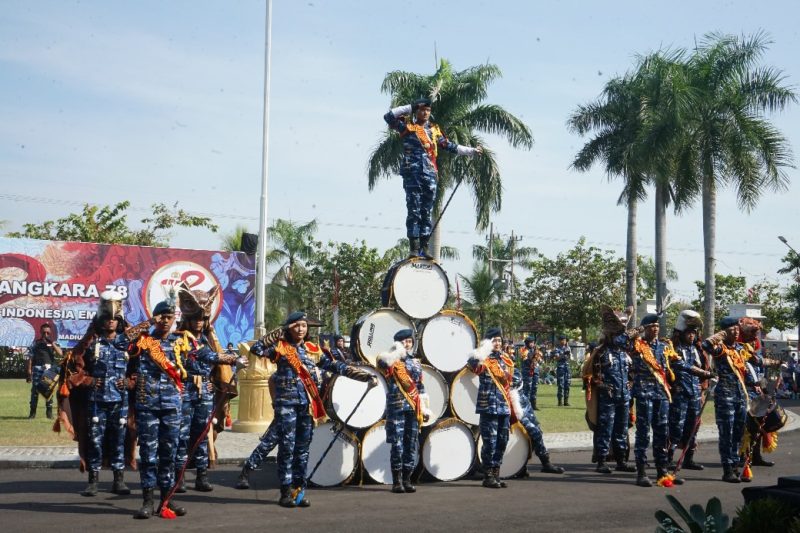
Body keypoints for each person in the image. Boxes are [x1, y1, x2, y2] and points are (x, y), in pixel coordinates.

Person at [249, 311, 376, 508]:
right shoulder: (280, 348)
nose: (301, 329)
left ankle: (298, 492)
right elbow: (257, 349)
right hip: (286, 405)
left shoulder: (311, 350)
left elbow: (335, 366)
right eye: (296, 325)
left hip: (306, 406)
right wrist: (278, 332)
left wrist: (363, 376)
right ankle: (285, 492)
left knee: (302, 449)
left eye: (304, 326)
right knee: (287, 448)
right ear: (289, 328)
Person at [383, 98, 482, 257]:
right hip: (412, 173)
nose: (425, 113)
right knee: (413, 209)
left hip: (429, 174)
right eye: (422, 110)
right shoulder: (408, 127)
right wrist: (411, 106)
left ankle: (424, 247)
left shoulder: (435, 130)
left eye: (428, 110)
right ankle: (414, 248)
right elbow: (388, 117)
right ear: (416, 111)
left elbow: (450, 146)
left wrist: (471, 151)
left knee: (426, 211)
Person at [127, 296, 187, 519]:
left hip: (172, 406)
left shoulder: (181, 342)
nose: (165, 321)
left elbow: (203, 356)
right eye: (161, 317)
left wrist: (230, 360)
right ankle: (147, 501)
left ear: (174, 320)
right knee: (149, 455)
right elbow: (119, 343)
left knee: (168, 455)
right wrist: (149, 322)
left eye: (169, 317)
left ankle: (167, 500)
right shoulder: (143, 341)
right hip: (148, 407)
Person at [173, 299, 240, 494]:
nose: (198, 322)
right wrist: (234, 358)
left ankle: (201, 476)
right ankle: (179, 477)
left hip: (205, 391)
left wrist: (211, 382)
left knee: (202, 434)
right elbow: (207, 357)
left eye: (202, 319)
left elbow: (216, 362)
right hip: (186, 390)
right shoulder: (180, 338)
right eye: (194, 318)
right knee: (182, 435)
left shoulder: (206, 340)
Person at [70, 292, 133, 497]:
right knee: (95, 441)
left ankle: (119, 480)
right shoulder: (90, 343)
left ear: (120, 320)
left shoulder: (128, 344)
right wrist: (88, 381)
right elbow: (74, 367)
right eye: (107, 318)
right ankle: (93, 481)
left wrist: (130, 381)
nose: (111, 322)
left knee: (119, 440)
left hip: (120, 401)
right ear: (100, 320)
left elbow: (140, 368)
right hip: (96, 401)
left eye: (114, 319)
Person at [583, 305, 639, 476]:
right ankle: (601, 461)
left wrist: (630, 383)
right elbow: (590, 375)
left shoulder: (624, 354)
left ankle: (621, 461)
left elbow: (631, 372)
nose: (621, 338)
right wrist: (603, 386)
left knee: (621, 429)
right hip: (608, 398)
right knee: (605, 429)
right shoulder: (600, 352)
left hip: (623, 396)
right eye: (618, 335)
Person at [376, 329, 431, 493]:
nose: (408, 344)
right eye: (404, 342)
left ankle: (407, 479)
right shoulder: (391, 360)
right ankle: (397, 481)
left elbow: (420, 387)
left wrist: (425, 408)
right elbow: (381, 364)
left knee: (410, 445)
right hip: (397, 408)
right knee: (397, 445)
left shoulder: (415, 363)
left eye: (409, 341)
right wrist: (395, 353)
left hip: (413, 409)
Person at [702, 316, 749, 483]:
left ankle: (736, 466)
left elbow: (746, 371)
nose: (736, 332)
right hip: (725, 397)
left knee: (738, 433)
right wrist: (719, 336)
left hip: (740, 397)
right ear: (724, 332)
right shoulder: (720, 348)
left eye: (737, 329)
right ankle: (727, 469)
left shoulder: (740, 349)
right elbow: (705, 345)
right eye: (732, 330)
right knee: (726, 434)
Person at [630, 314, 674, 487]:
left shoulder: (664, 346)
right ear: (645, 328)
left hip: (661, 395)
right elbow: (621, 339)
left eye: (657, 326)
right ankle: (641, 472)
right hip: (644, 395)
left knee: (662, 433)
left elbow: (677, 364)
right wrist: (639, 329)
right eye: (651, 326)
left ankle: (661, 471)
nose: (655, 329)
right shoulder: (636, 345)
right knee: (643, 435)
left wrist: (702, 373)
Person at [667, 310, 712, 474]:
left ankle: (689, 459)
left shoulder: (697, 349)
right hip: (679, 394)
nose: (692, 336)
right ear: (682, 333)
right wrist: (703, 373)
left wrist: (703, 387)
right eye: (689, 333)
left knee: (693, 428)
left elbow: (704, 368)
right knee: (675, 428)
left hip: (694, 394)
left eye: (694, 333)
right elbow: (680, 366)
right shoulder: (673, 348)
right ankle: (668, 459)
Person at [468, 327, 513, 489]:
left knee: (502, 440)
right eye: (494, 340)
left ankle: (496, 474)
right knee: (490, 442)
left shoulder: (505, 359)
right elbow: (473, 365)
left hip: (504, 406)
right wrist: (483, 350)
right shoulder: (482, 358)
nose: (498, 343)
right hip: (489, 407)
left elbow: (513, 378)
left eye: (499, 340)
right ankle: (487, 475)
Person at [509, 369, 564, 475]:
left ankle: (523, 465)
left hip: (524, 403)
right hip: (514, 406)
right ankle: (544, 462)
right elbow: (512, 382)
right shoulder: (496, 365)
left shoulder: (509, 365)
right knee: (534, 432)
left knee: (537, 431)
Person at [26, 323, 61, 419]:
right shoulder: (36, 343)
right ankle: (32, 413)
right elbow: (30, 358)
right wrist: (29, 371)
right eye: (44, 332)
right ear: (40, 332)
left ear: (50, 333)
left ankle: (49, 413)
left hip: (49, 369)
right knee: (35, 391)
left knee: (48, 391)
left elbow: (61, 353)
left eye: (48, 333)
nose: (46, 334)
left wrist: (52, 343)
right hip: (37, 369)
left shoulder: (53, 343)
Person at [520, 337, 541, 410]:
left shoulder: (535, 350)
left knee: (534, 388)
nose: (532, 344)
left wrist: (537, 355)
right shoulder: (523, 350)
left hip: (535, 371)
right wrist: (532, 355)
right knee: (527, 388)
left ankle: (533, 404)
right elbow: (525, 359)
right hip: (527, 371)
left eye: (533, 342)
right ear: (527, 343)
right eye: (531, 342)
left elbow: (539, 359)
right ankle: (526, 405)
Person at [552, 336, 572, 406]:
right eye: (562, 340)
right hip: (560, 368)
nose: (564, 341)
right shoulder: (557, 349)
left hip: (567, 368)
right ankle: (560, 401)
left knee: (567, 384)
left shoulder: (568, 348)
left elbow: (569, 358)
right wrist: (563, 354)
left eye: (565, 340)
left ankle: (566, 401)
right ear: (559, 341)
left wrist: (568, 354)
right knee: (560, 385)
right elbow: (557, 358)